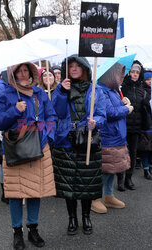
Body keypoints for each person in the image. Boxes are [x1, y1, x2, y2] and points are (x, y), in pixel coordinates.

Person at [0, 62, 57, 250]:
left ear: (31, 72)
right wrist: (15, 110)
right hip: (16, 149)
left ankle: (33, 229)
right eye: (18, 70)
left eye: (25, 70)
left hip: (39, 147)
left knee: (35, 191)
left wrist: (45, 136)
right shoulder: (4, 93)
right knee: (15, 193)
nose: (22, 73)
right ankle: (17, 232)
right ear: (12, 73)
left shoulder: (39, 93)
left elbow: (51, 118)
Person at [51, 54, 106, 235]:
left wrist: (95, 122)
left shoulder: (95, 89)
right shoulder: (61, 89)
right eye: (70, 66)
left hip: (88, 141)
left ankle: (86, 217)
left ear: (84, 69)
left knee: (87, 184)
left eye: (77, 66)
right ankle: (72, 219)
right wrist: (61, 92)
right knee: (69, 185)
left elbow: (102, 115)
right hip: (66, 142)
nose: (73, 68)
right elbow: (56, 113)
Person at [91, 63, 133, 214]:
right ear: (110, 75)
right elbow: (108, 112)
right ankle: (94, 199)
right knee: (102, 169)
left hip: (116, 136)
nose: (122, 78)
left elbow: (114, 108)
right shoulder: (99, 89)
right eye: (119, 74)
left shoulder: (113, 90)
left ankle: (108, 196)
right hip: (107, 136)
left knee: (111, 169)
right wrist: (126, 109)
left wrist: (123, 102)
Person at [120, 60, 146, 190]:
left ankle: (128, 178)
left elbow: (143, 108)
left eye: (137, 72)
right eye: (133, 72)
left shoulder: (142, 89)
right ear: (128, 73)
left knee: (133, 153)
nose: (135, 74)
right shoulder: (123, 86)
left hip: (136, 127)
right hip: (123, 125)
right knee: (121, 152)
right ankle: (120, 179)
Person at [137, 71, 152, 179]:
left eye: (151, 79)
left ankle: (150, 167)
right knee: (145, 148)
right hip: (146, 124)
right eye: (148, 79)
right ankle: (146, 168)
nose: (150, 81)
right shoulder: (142, 91)